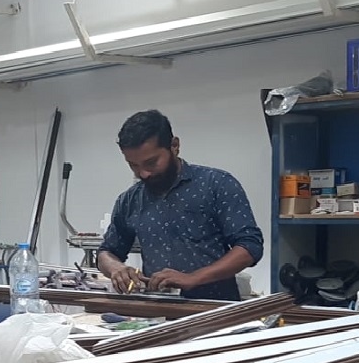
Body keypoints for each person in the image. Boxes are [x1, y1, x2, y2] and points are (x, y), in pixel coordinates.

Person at [98, 110, 263, 301]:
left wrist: (194, 278)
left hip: (214, 308)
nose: (143, 173)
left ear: (174, 146)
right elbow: (106, 252)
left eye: (151, 162)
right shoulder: (130, 200)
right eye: (133, 165)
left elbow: (249, 247)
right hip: (156, 310)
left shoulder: (216, 184)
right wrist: (116, 268)